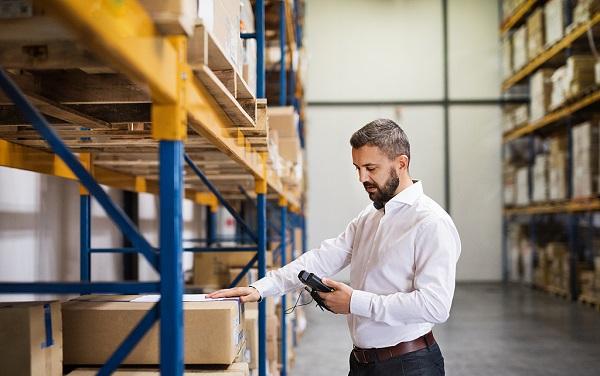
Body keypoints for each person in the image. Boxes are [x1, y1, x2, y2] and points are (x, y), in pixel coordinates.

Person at [208, 118, 461, 376]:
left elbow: (435, 306)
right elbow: (321, 258)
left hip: (410, 365)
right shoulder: (370, 217)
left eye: (371, 168)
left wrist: (354, 302)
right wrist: (260, 288)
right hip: (363, 363)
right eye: (358, 168)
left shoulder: (431, 222)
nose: (362, 177)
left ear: (401, 163)